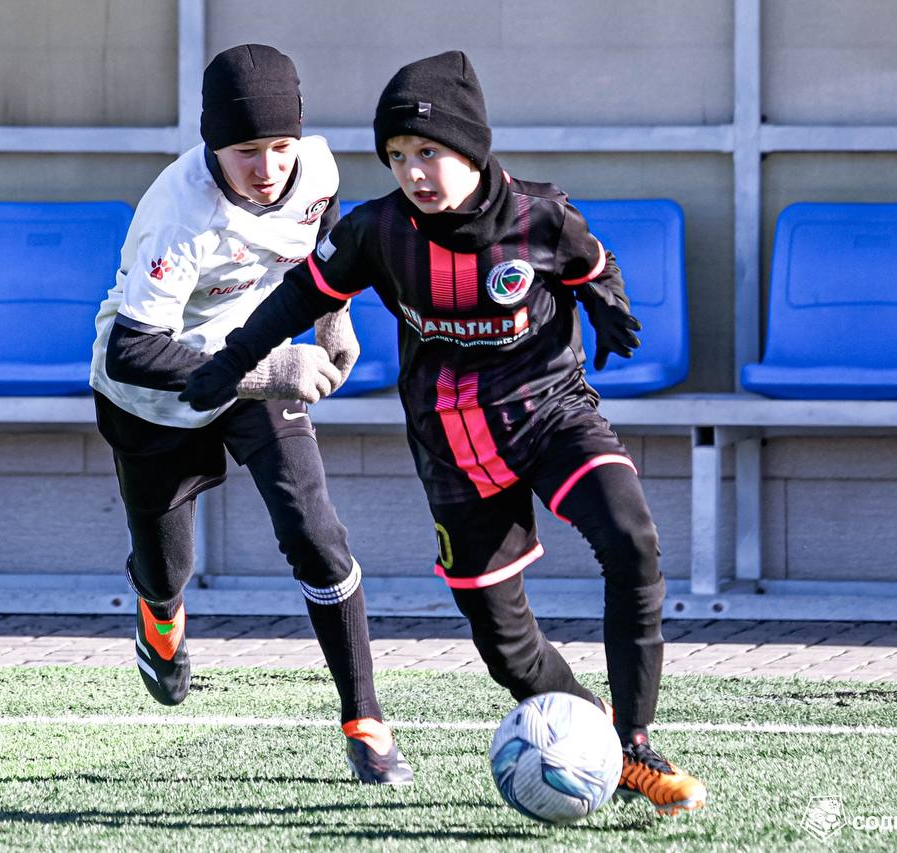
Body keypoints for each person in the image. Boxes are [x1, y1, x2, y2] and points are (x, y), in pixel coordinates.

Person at [181, 50, 706, 815]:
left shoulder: (540, 215)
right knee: (507, 647)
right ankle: (593, 736)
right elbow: (299, 296)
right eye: (397, 156)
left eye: (428, 151)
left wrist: (608, 303)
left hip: (552, 413)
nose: (413, 172)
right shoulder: (377, 231)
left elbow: (591, 264)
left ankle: (634, 743)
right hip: (454, 449)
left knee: (632, 539)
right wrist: (233, 361)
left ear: (471, 146)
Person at [89, 43, 412, 785]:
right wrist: (271, 368)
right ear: (212, 145)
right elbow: (131, 353)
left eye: (279, 147)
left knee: (316, 533)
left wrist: (332, 319)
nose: (267, 168)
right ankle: (159, 615)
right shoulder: (179, 212)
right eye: (245, 153)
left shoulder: (316, 167)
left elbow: (323, 235)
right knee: (167, 570)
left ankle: (364, 718)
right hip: (156, 393)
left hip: (256, 362)